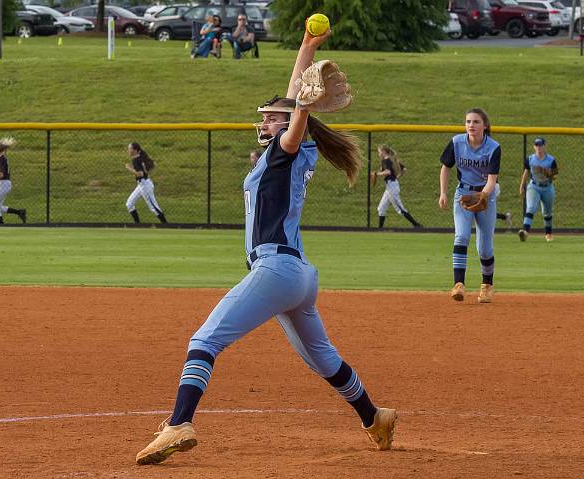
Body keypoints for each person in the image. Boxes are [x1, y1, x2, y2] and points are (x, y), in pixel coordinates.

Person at [136, 24, 396, 466]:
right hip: (298, 276)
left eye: (271, 117)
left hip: (276, 270)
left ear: (291, 122)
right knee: (323, 359)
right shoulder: (288, 152)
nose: (264, 121)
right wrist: (307, 46)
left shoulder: (286, 148)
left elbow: (298, 110)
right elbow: (296, 100)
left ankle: (180, 422)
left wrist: (299, 106)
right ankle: (375, 417)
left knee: (205, 340)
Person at [439, 108, 500, 304]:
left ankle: (487, 286)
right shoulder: (457, 142)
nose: (471, 125)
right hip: (463, 194)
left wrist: (483, 195)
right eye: (468, 122)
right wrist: (443, 193)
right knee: (462, 236)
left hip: (485, 196)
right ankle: (459, 285)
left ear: (485, 125)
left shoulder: (493, 147)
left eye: (475, 122)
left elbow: (492, 180)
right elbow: (445, 168)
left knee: (484, 248)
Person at [518, 137, 558, 242]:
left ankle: (548, 234)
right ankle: (525, 232)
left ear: (545, 146)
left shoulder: (551, 160)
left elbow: (554, 176)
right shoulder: (531, 159)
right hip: (534, 186)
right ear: (534, 147)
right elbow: (526, 172)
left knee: (547, 212)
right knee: (531, 207)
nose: (539, 147)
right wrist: (522, 185)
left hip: (547, 187)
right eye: (537, 145)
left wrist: (545, 172)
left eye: (541, 145)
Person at [373, 144, 422, 229]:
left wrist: (377, 174)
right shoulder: (393, 159)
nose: (379, 154)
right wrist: (397, 177)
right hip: (390, 186)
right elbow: (404, 170)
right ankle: (379, 229)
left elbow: (388, 172)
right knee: (381, 208)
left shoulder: (386, 160)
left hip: (392, 187)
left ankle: (417, 225)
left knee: (400, 209)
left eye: (379, 152)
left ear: (383, 151)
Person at [125, 142, 167, 224]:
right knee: (129, 203)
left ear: (135, 150)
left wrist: (129, 168)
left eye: (130, 149)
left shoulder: (136, 160)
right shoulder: (141, 157)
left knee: (153, 207)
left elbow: (140, 174)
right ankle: (137, 224)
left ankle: (166, 225)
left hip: (145, 186)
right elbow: (154, 164)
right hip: (141, 185)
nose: (128, 150)